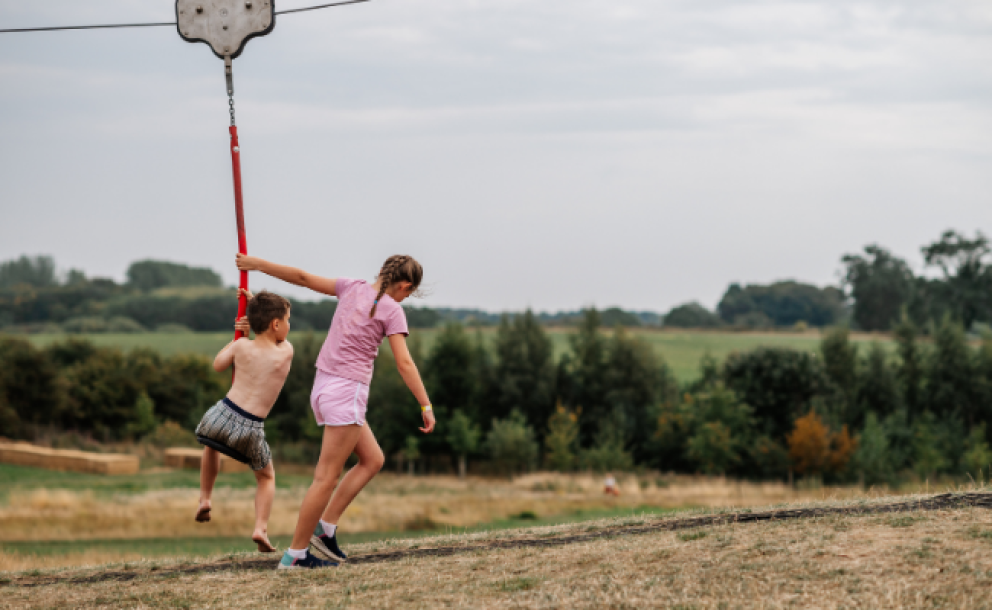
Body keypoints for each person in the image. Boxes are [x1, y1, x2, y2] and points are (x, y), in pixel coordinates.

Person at [234, 253, 436, 570]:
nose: (405, 299)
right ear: (404, 285)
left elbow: (301, 277)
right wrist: (425, 404)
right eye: (408, 293)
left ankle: (325, 530)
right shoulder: (392, 309)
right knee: (325, 479)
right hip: (347, 393)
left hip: (324, 387)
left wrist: (257, 265)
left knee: (372, 459)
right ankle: (295, 556)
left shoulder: (350, 287)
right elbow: (404, 363)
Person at [193, 289, 294, 554]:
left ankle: (205, 498)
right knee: (266, 477)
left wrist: (239, 335)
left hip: (219, 415)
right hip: (250, 427)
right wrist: (255, 309)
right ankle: (260, 527)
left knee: (211, 445)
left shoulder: (241, 346)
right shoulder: (285, 352)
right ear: (276, 324)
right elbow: (278, 340)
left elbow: (218, 365)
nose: (288, 326)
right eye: (287, 320)